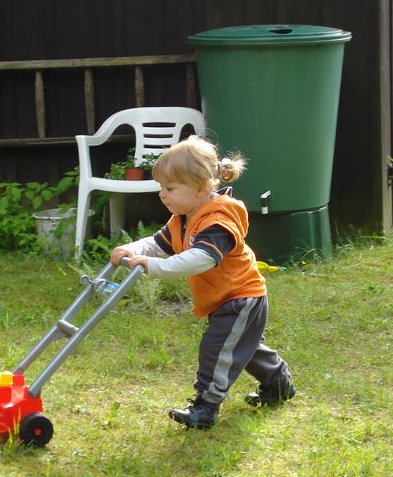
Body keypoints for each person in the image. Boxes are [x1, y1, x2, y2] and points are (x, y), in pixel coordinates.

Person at [110, 135, 295, 429]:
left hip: (241, 297)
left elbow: (203, 258)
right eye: (161, 187)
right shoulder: (182, 217)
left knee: (217, 349)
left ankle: (205, 407)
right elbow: (158, 244)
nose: (162, 194)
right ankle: (279, 383)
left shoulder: (218, 219)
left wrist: (156, 267)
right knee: (241, 348)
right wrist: (133, 250)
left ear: (200, 189)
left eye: (169, 188)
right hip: (225, 297)